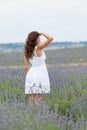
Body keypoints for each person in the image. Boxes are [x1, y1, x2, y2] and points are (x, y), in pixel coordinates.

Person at [24, 31, 53, 105]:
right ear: (35, 39)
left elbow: (26, 67)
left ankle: (30, 115)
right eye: (39, 38)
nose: (40, 39)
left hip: (30, 74)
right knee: (38, 98)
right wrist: (43, 33)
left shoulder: (26, 50)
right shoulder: (38, 48)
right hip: (40, 73)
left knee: (31, 99)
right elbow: (51, 38)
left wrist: (28, 78)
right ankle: (37, 114)